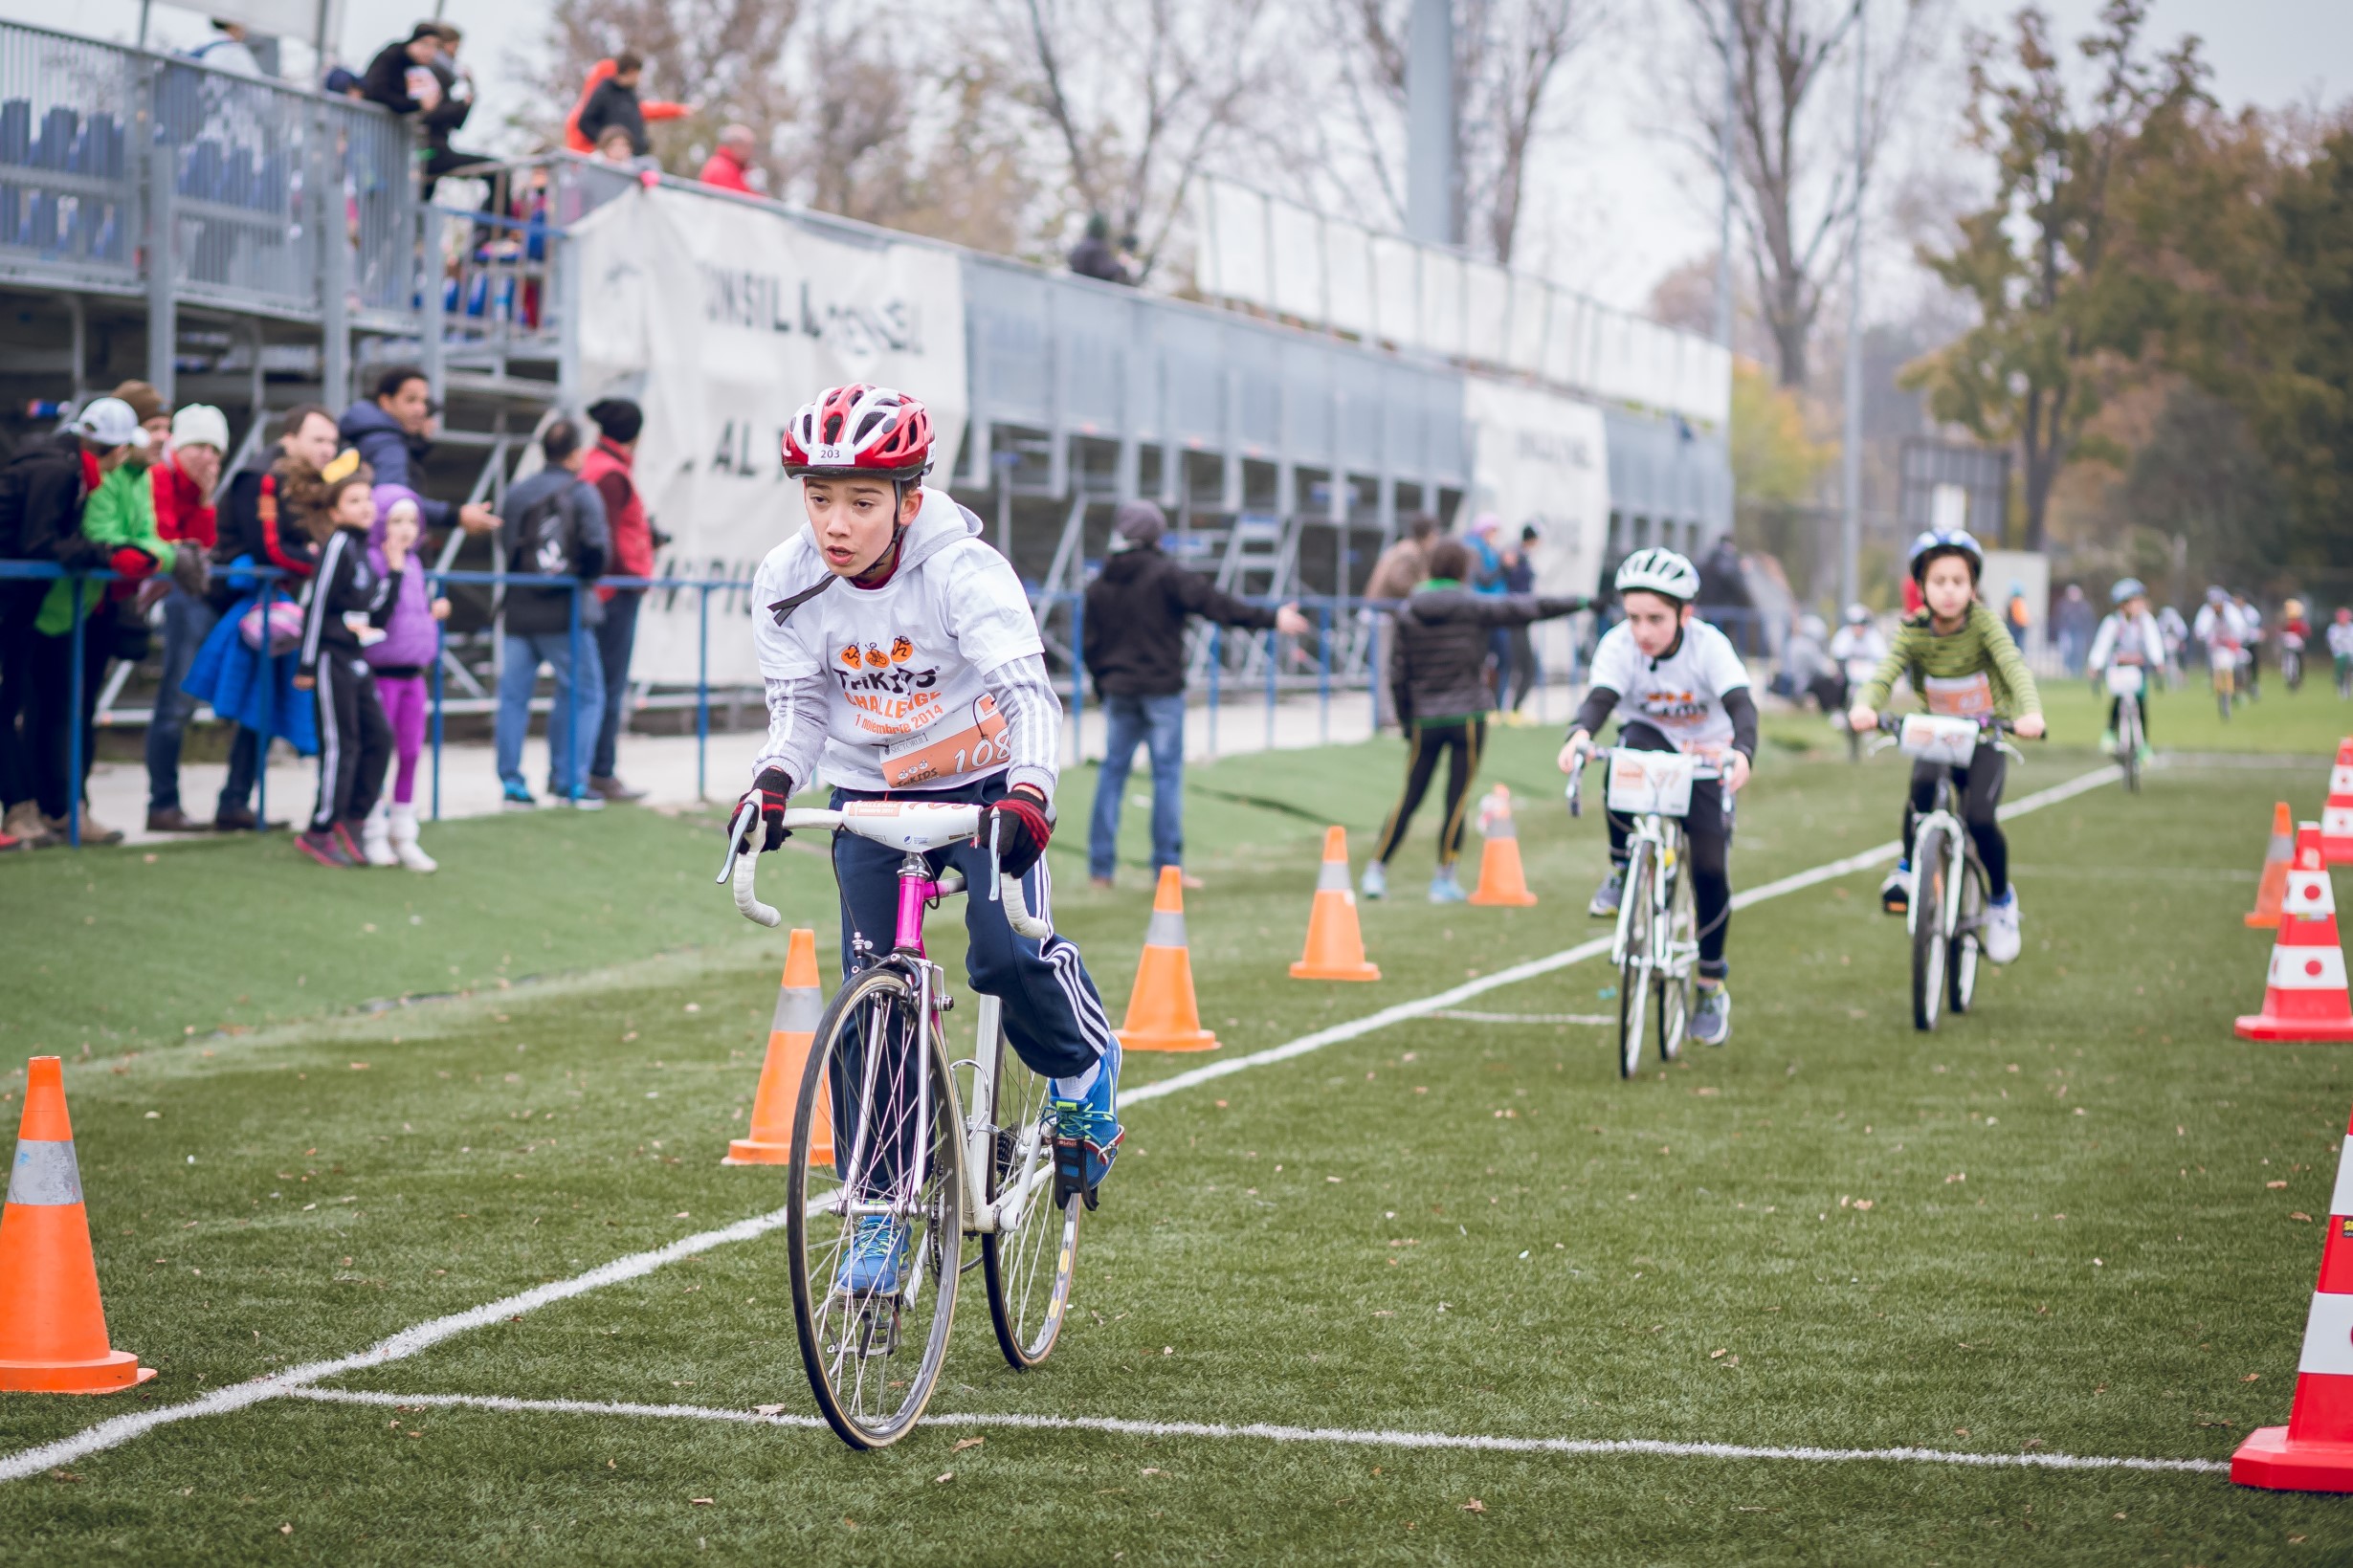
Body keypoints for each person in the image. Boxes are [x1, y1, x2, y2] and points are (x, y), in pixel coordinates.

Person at [741, 381, 1124, 1282]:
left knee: (1001, 951)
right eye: (819, 497)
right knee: (872, 1004)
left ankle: (1082, 1066)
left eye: (862, 502)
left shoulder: (963, 571)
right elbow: (797, 710)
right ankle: (877, 1210)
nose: (836, 522)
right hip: (871, 795)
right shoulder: (785, 580)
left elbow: (1029, 695)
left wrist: (1029, 791)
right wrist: (770, 780)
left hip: (986, 785)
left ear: (910, 501)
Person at [1558, 547, 1754, 1045]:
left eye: (1656, 619)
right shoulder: (1619, 646)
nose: (1642, 631)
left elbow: (1741, 706)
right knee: (1622, 753)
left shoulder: (1709, 647)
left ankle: (1710, 984)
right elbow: (1599, 700)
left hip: (1705, 755)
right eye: (1633, 617)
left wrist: (1743, 754)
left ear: (1685, 614)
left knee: (1709, 868)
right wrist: (1578, 734)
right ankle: (1623, 866)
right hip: (1649, 741)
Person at [1080, 499, 1309, 889]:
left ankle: (1101, 871)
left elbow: (1091, 646)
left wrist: (1104, 685)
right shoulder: (1167, 575)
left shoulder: (1100, 584)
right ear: (1155, 535)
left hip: (1119, 691)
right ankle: (1167, 869)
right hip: (1161, 690)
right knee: (1166, 777)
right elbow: (1217, 606)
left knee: (1112, 775)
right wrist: (1272, 618)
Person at [1849, 529, 2045, 965]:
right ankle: (1906, 869)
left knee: (1980, 818)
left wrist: (2029, 714)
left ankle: (1999, 902)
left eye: (1959, 581)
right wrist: (1865, 705)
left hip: (1984, 736)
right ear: (1921, 588)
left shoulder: (1985, 624)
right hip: (1937, 732)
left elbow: (2013, 666)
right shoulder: (1913, 632)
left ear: (1973, 586)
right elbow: (1885, 673)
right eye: (1939, 581)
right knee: (1920, 789)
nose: (1950, 591)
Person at [1368, 538, 1588, 904]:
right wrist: (1581, 602)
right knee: (1456, 800)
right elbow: (1529, 608)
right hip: (1467, 716)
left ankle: (1376, 869)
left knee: (1410, 795)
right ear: (1461, 570)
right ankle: (1443, 878)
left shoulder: (1409, 610)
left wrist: (1408, 720)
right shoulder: (1473, 605)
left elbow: (1397, 673)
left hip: (1425, 718)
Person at [0, 399, 147, 848]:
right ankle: (21, 811)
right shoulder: (60, 471)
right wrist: (102, 554)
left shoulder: (63, 466)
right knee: (8, 708)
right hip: (13, 603)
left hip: (19, 606)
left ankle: (40, 809)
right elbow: (40, 541)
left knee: (25, 706)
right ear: (117, 449)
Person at [204, 404, 338, 830]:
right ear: (291, 437)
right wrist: (317, 561)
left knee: (262, 704)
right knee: (185, 702)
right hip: (232, 604)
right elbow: (271, 549)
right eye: (319, 439)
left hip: (275, 607)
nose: (328, 449)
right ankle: (171, 803)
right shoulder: (261, 476)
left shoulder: (304, 480)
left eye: (332, 442)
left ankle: (234, 801)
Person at [494, 419, 609, 809]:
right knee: (585, 694)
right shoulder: (582, 492)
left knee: (513, 698)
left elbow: (505, 543)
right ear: (576, 453)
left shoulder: (517, 493)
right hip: (566, 610)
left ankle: (511, 784)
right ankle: (570, 782)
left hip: (518, 608)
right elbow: (597, 550)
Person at [294, 456, 401, 868]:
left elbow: (373, 615)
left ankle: (352, 818)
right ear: (336, 511)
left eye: (368, 499)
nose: (365, 506)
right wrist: (306, 665)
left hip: (355, 658)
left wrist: (394, 573)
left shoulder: (363, 552)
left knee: (378, 739)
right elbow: (317, 605)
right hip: (327, 658)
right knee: (341, 744)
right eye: (354, 500)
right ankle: (320, 829)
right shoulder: (338, 544)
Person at [144, 403, 229, 832]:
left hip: (185, 592)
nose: (208, 458)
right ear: (180, 445)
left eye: (215, 451)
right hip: (164, 595)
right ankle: (162, 802)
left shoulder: (198, 489)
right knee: (174, 702)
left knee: (183, 702)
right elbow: (168, 541)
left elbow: (202, 548)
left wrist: (207, 499)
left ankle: (166, 803)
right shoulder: (159, 477)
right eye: (199, 447)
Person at [361, 487, 450, 870]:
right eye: (396, 520)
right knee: (378, 751)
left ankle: (404, 830)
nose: (405, 529)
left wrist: (432, 616)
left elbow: (411, 616)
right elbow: (374, 614)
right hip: (382, 674)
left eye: (412, 521)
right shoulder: (374, 561)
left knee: (411, 752)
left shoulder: (414, 565)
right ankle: (372, 829)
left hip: (414, 674)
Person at [583, 398, 655, 802]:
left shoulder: (596, 464)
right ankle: (602, 772)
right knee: (609, 686)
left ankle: (593, 771)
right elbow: (605, 538)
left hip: (608, 590)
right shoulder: (611, 473)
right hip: (614, 593)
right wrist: (630, 577)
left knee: (597, 685)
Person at [338, 368, 498, 540]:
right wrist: (456, 515)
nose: (421, 409)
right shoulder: (388, 444)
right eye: (411, 400)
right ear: (386, 401)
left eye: (424, 402)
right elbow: (395, 499)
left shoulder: (377, 435)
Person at [2088, 577, 2164, 761]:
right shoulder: (2113, 622)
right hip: (2118, 671)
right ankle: (2110, 732)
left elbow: (2154, 643)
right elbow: (2102, 645)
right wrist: (2095, 665)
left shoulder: (2145, 622)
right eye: (2135, 600)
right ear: (2123, 604)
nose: (2140, 604)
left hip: (2138, 671)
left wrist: (2157, 662)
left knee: (2141, 703)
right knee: (2119, 698)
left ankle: (2144, 744)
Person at [572, 52, 692, 160]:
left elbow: (647, 112)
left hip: (636, 156)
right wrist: (609, 142)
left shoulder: (630, 94)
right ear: (630, 71)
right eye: (638, 73)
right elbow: (585, 122)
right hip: (614, 160)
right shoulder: (604, 92)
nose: (639, 78)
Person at [416, 23, 482, 195]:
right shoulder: (431, 73)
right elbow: (428, 115)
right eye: (455, 47)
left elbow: (456, 124)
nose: (457, 53)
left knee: (422, 200)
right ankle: (494, 223)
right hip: (430, 151)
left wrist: (467, 101)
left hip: (437, 149)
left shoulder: (445, 78)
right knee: (498, 169)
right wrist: (460, 105)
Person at [1499, 524, 1543, 716]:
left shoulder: (1521, 556)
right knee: (1515, 666)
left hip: (1520, 618)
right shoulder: (1514, 556)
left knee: (1524, 667)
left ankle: (1513, 710)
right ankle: (1507, 710)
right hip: (1513, 619)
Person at [359, 24, 444, 120]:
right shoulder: (392, 58)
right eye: (425, 44)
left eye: (436, 47)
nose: (430, 52)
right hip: (369, 122)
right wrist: (418, 103)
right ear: (414, 41)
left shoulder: (419, 68)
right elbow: (378, 92)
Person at [1829, 603, 1889, 715]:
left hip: (1869, 674)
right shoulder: (1844, 635)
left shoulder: (1874, 637)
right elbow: (1839, 658)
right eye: (1855, 624)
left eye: (1861, 624)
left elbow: (1881, 659)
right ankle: (1840, 711)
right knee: (1839, 681)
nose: (1858, 628)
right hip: (1849, 673)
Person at [187, 18, 265, 77]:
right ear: (234, 25)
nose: (245, 29)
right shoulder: (234, 49)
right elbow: (257, 80)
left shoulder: (201, 42)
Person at [1068, 213, 1129, 285]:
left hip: (1077, 287)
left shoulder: (1081, 245)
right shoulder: (1097, 248)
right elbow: (1104, 270)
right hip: (1090, 290)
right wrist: (1120, 265)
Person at [698, 124, 758, 193]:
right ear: (736, 145)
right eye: (747, 147)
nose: (751, 152)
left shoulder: (734, 167)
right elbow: (739, 199)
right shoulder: (721, 169)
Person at [2235, 592, 2265, 700]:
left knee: (2253, 665)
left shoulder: (2250, 611)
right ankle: (2240, 688)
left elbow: (2256, 625)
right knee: (2239, 666)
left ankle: (2254, 684)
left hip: (2251, 642)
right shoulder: (2234, 611)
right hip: (2240, 642)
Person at [2329, 607, 2353, 700]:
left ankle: (2347, 690)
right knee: (2340, 674)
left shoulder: (2351, 628)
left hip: (2351, 654)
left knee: (2349, 673)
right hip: (2340, 655)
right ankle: (2341, 689)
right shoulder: (2333, 629)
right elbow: (2333, 643)